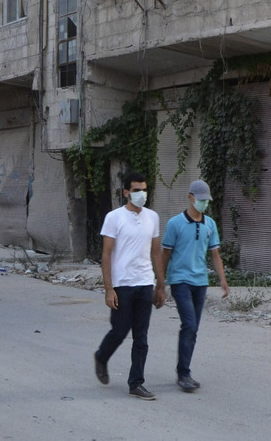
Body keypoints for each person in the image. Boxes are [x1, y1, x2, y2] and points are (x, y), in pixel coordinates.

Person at [93, 171, 164, 400]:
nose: (141, 194)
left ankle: (136, 383)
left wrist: (160, 284)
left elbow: (155, 252)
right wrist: (109, 289)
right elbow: (106, 255)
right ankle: (102, 357)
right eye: (136, 190)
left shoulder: (152, 217)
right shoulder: (114, 218)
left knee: (141, 337)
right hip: (123, 285)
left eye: (144, 190)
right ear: (126, 193)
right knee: (120, 330)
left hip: (144, 283)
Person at [158, 179, 229, 393]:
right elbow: (165, 255)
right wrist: (160, 284)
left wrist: (223, 280)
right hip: (179, 281)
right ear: (191, 198)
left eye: (207, 201)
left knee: (193, 328)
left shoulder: (210, 225)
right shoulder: (175, 224)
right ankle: (183, 374)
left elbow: (215, 254)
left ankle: (184, 370)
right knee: (188, 324)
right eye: (200, 200)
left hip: (201, 282)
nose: (204, 204)